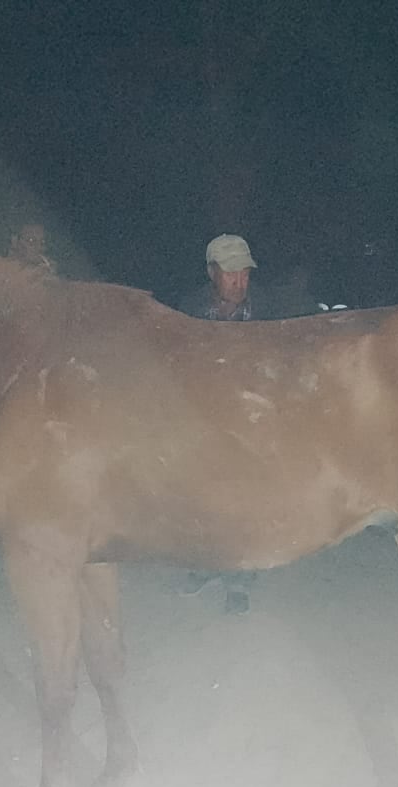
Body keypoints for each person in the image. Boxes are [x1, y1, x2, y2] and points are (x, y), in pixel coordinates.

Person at [175, 234, 294, 615]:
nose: (240, 282)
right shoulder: (189, 310)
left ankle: (239, 580)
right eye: (230, 274)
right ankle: (203, 567)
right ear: (212, 272)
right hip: (200, 420)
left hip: (249, 422)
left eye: (244, 273)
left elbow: (281, 368)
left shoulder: (268, 310)